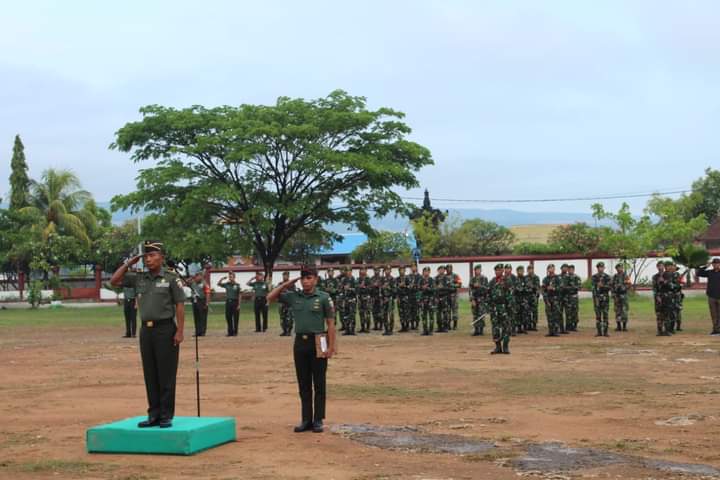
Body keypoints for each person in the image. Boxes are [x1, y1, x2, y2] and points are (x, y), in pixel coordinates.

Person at [110, 240, 186, 428]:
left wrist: (180, 330)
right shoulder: (139, 278)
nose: (149, 260)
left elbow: (180, 305)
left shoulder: (170, 278)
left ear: (162, 257)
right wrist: (130, 263)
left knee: (166, 373)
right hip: (146, 330)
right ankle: (154, 414)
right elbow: (114, 281)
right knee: (150, 373)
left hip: (165, 329)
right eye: (146, 256)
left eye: (152, 256)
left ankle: (166, 415)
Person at [267, 265, 336, 433]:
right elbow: (270, 296)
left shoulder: (324, 298)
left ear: (316, 279)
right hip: (300, 343)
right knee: (303, 383)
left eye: (309, 278)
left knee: (319, 383)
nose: (306, 281)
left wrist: (331, 347)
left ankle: (318, 419)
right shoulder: (294, 296)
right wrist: (288, 283)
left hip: (319, 341)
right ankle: (306, 419)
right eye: (303, 278)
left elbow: (331, 324)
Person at [488, 264, 512, 354]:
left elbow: (510, 294)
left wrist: (509, 307)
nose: (498, 271)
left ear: (502, 271)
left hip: (504, 307)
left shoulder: (507, 281)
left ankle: (505, 347)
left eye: (500, 270)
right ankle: (497, 346)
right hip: (494, 307)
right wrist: (489, 306)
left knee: (506, 327)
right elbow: (488, 294)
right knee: (495, 328)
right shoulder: (492, 282)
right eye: (496, 270)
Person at [697, 258, 720, 335]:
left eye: (717, 263)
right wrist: (706, 266)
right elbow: (699, 273)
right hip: (711, 296)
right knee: (713, 314)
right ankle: (715, 329)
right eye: (714, 263)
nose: (716, 265)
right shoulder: (710, 272)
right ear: (712, 264)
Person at [218, 271, 241, 336]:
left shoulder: (237, 285)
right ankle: (230, 332)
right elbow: (219, 284)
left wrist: (239, 304)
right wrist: (222, 279)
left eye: (231, 277)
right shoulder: (227, 284)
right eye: (229, 277)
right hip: (228, 302)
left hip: (235, 302)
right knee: (228, 317)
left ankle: (235, 332)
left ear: (234, 277)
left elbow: (239, 295)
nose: (230, 278)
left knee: (235, 318)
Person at [591, 262, 611, 337]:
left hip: (605, 299)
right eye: (599, 267)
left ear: (604, 268)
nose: (601, 268)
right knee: (598, 315)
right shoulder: (594, 277)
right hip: (597, 298)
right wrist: (597, 288)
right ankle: (599, 332)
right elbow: (592, 288)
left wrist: (603, 286)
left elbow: (609, 287)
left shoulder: (607, 277)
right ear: (597, 268)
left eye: (602, 267)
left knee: (605, 315)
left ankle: (605, 332)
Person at [188, 271, 210, 337]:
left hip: (202, 301)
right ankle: (197, 331)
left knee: (202, 317)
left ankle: (202, 332)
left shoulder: (204, 284)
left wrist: (207, 303)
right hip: (195, 301)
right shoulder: (193, 283)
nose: (196, 277)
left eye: (198, 276)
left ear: (201, 276)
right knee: (196, 317)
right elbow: (184, 283)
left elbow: (208, 294)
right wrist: (191, 278)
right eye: (196, 276)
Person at [542, 264, 561, 337]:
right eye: (549, 268)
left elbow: (560, 288)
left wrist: (554, 288)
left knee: (556, 315)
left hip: (555, 298)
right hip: (548, 299)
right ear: (547, 269)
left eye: (552, 268)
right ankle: (550, 331)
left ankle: (556, 331)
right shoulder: (545, 279)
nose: (551, 270)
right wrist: (546, 300)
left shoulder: (557, 278)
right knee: (549, 315)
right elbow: (543, 290)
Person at [611, 264, 631, 331]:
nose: (619, 269)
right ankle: (618, 326)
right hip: (617, 296)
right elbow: (612, 286)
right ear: (616, 269)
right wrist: (613, 295)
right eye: (618, 268)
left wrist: (623, 288)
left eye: (620, 267)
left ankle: (624, 326)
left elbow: (629, 285)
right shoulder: (615, 277)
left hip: (624, 295)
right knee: (617, 311)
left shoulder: (625, 276)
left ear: (622, 268)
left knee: (624, 311)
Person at [469, 264, 488, 336]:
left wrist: (480, 286)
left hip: (482, 298)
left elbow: (487, 289)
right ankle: (476, 329)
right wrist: (472, 299)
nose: (478, 271)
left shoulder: (484, 278)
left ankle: (481, 329)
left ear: (481, 270)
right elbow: (470, 290)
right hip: (475, 298)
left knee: (481, 314)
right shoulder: (472, 279)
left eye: (479, 270)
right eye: (476, 270)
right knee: (475, 314)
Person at [339, 266, 357, 336]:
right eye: (347, 271)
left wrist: (350, 288)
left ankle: (352, 330)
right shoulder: (343, 280)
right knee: (345, 315)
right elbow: (341, 290)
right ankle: (347, 330)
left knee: (352, 315)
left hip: (352, 299)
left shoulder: (354, 280)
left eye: (350, 271)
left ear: (351, 272)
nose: (348, 272)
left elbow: (356, 290)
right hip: (345, 299)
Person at [514, 266, 531, 334]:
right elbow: (513, 288)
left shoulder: (526, 279)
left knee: (525, 314)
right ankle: (519, 328)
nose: (520, 272)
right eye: (519, 271)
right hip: (517, 299)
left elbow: (530, 288)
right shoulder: (515, 279)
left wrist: (523, 289)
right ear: (517, 271)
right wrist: (517, 290)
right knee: (517, 314)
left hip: (524, 299)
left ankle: (525, 328)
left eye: (522, 271)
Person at [418, 266, 436, 335]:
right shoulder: (420, 280)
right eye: (425, 271)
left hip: (430, 300)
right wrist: (422, 288)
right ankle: (425, 330)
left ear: (429, 272)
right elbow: (418, 288)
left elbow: (434, 290)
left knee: (431, 315)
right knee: (423, 315)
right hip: (423, 300)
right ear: (423, 272)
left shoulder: (432, 280)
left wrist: (427, 288)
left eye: (428, 271)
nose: (426, 273)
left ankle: (430, 330)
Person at [278, 271, 296, 336]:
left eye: (286, 275)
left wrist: (287, 291)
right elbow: (277, 292)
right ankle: (284, 331)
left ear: (288, 276)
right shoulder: (280, 284)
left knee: (290, 318)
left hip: (289, 303)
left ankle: (289, 331)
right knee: (282, 318)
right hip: (282, 303)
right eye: (284, 275)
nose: (285, 276)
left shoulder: (291, 284)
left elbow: (294, 293)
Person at [652, 261, 667, 336]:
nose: (661, 267)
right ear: (657, 267)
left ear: (664, 267)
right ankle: (659, 330)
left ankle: (667, 330)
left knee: (666, 314)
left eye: (662, 266)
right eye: (659, 266)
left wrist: (664, 282)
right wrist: (657, 296)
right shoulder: (655, 277)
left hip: (667, 297)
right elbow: (654, 288)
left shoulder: (668, 275)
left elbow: (670, 286)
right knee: (659, 314)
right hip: (658, 298)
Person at [356, 266, 373, 333]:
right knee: (361, 313)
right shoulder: (358, 279)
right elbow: (356, 288)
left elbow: (371, 289)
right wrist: (360, 287)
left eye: (364, 270)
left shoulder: (368, 279)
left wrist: (364, 287)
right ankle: (362, 327)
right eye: (361, 270)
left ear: (366, 271)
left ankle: (368, 328)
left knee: (367, 313)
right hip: (360, 298)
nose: (363, 271)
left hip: (367, 298)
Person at [381, 265, 396, 335]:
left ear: (391, 270)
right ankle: (386, 329)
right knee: (384, 315)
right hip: (384, 299)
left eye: (389, 270)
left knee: (391, 315)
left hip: (390, 299)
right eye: (386, 270)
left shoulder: (393, 279)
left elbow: (395, 290)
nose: (387, 271)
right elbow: (380, 290)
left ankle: (390, 330)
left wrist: (389, 287)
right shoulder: (382, 279)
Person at [446, 264, 462, 330]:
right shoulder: (444, 276)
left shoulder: (455, 276)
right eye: (448, 268)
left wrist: (452, 284)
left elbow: (460, 284)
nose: (449, 269)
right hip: (447, 295)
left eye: (450, 268)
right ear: (446, 269)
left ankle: (455, 325)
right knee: (447, 311)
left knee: (455, 310)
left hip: (454, 295)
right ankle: (448, 325)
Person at [122, 274, 138, 338]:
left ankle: (133, 333)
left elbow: (136, 296)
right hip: (126, 301)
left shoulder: (134, 287)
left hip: (133, 301)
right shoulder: (125, 287)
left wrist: (136, 304)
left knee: (133, 318)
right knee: (127, 318)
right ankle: (128, 333)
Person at [407, 263, 422, 330]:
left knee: (417, 311)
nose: (413, 268)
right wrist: (408, 286)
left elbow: (420, 286)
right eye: (412, 267)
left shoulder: (419, 276)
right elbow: (406, 285)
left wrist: (415, 286)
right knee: (410, 310)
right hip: (410, 295)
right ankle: (412, 324)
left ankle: (416, 324)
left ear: (416, 268)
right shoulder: (408, 276)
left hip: (417, 295)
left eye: (414, 267)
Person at [396, 265, 410, 332]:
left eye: (403, 270)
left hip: (406, 297)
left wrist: (405, 286)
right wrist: (399, 286)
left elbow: (411, 287)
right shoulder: (397, 279)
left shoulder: (407, 278)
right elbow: (395, 288)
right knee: (401, 312)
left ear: (405, 271)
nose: (402, 271)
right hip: (400, 297)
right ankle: (403, 326)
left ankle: (407, 326)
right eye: (400, 270)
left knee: (406, 312)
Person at [527, 265, 541, 331]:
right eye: (529, 269)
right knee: (527, 311)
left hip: (534, 296)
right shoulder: (525, 277)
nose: (530, 270)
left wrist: (532, 286)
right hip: (527, 297)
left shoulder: (536, 277)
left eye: (531, 269)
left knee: (534, 311)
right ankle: (528, 325)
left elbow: (537, 286)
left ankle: (534, 325)